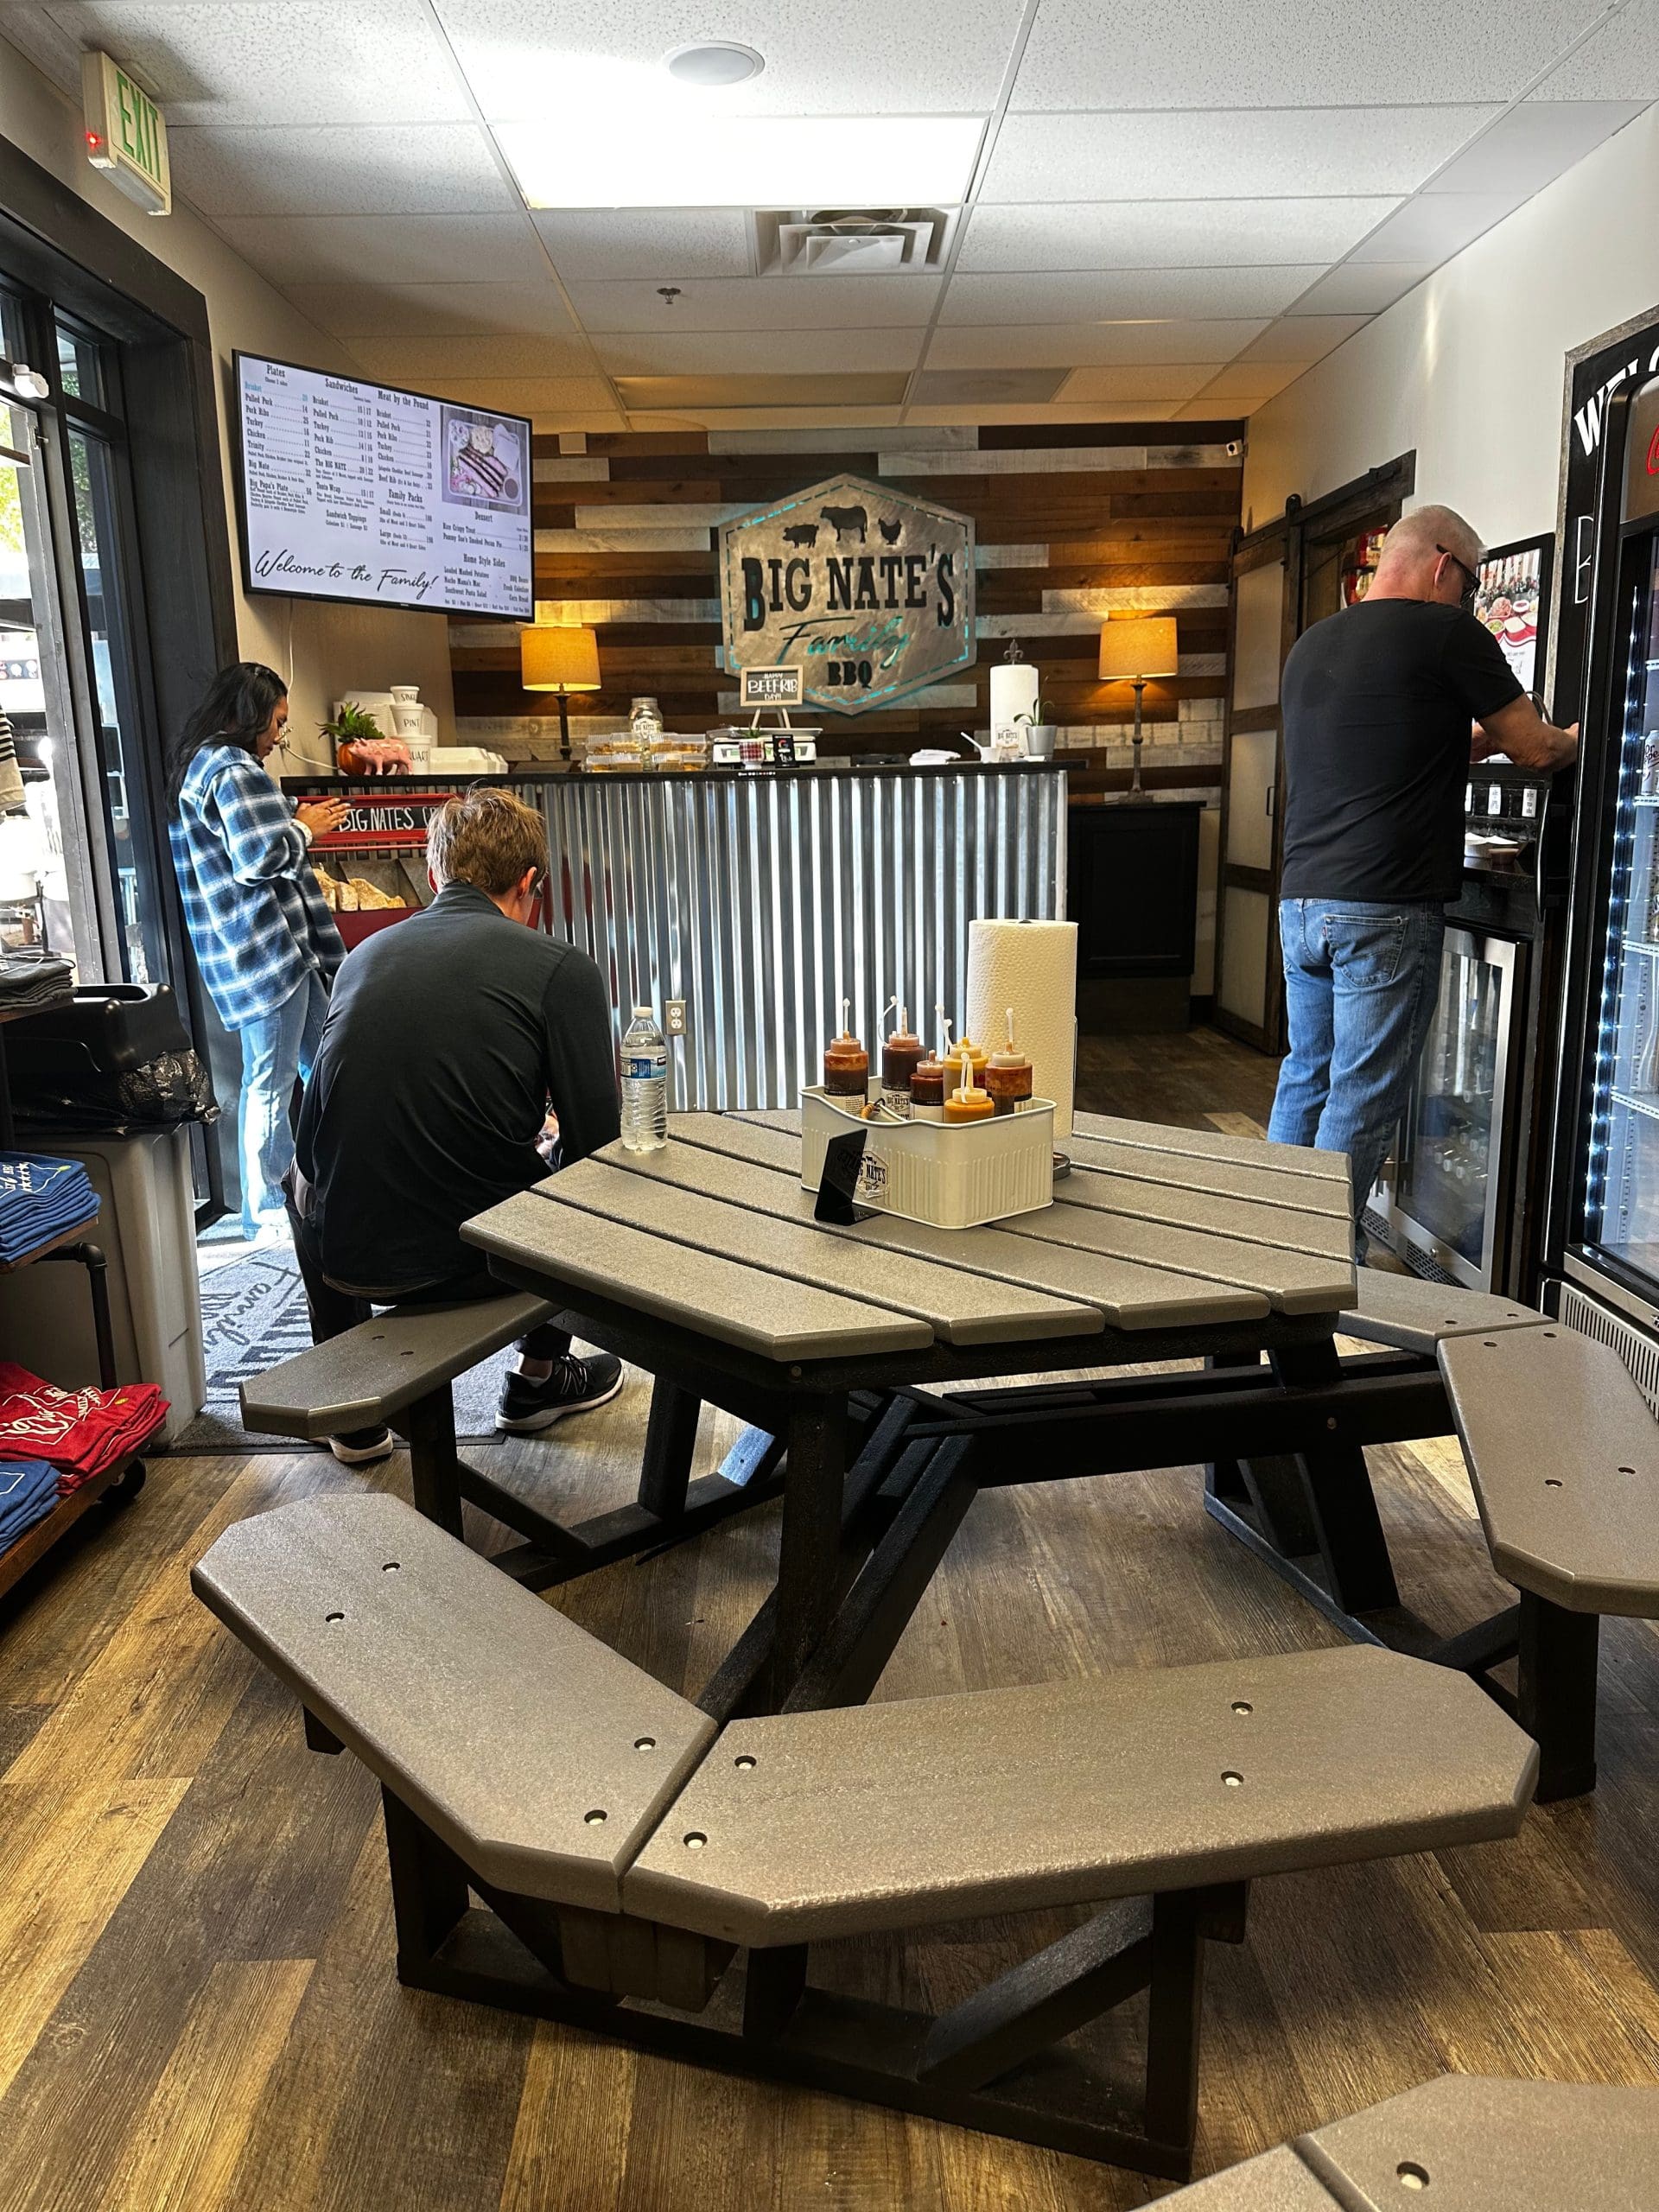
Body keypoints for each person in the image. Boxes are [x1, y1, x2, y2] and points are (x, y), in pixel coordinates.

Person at [1268, 504, 1580, 1258]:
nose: (1471, 600)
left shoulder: (1314, 643)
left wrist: (1478, 742)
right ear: (1444, 565)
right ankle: (1313, 1268)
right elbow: (1537, 751)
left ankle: (1269, 1247)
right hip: (1384, 903)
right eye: (1471, 585)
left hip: (1302, 901)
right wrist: (1581, 733)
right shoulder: (1446, 633)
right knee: (1362, 1093)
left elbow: (1390, 740)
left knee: (1307, 1075)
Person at [289, 786, 623, 1461]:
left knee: (299, 1180)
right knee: (589, 1182)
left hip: (348, 1259)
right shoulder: (563, 969)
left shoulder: (362, 958)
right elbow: (599, 1147)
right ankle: (537, 1380)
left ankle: (349, 1405)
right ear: (529, 882)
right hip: (474, 1262)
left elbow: (313, 1145)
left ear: (434, 873)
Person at [167, 664, 351, 1240]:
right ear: (248, 715)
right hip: (268, 951)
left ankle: (330, 1184)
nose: (278, 735)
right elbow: (257, 858)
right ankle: (268, 1211)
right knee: (273, 1080)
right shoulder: (230, 768)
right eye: (276, 721)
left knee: (325, 1064)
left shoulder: (201, 766)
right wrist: (306, 828)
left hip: (262, 950)